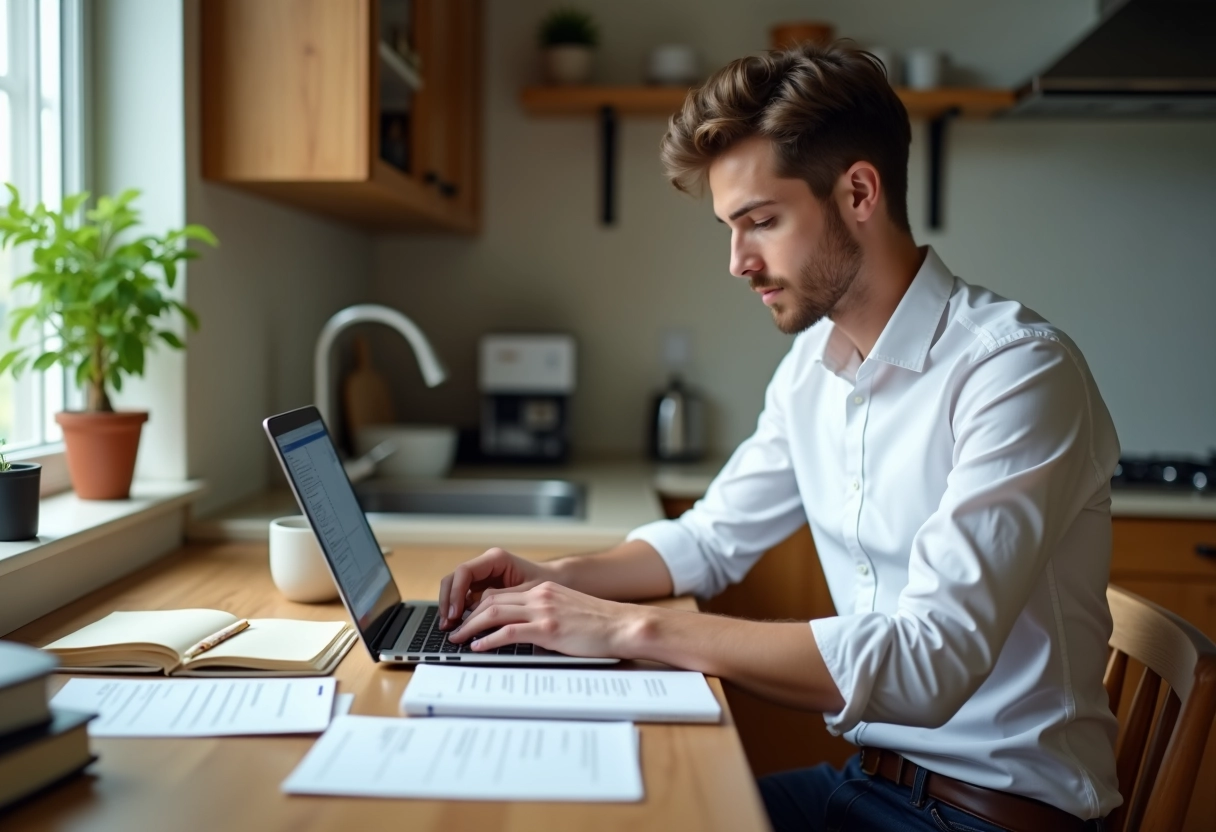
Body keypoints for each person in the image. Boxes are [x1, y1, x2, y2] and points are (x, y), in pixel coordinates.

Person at [440, 41, 1119, 832]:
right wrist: (555, 576)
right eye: (732, 227)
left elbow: (930, 661)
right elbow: (710, 540)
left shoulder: (1016, 374)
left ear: (859, 191)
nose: (738, 261)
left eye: (761, 221)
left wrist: (629, 627)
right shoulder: (812, 370)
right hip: (869, 787)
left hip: (988, 817)